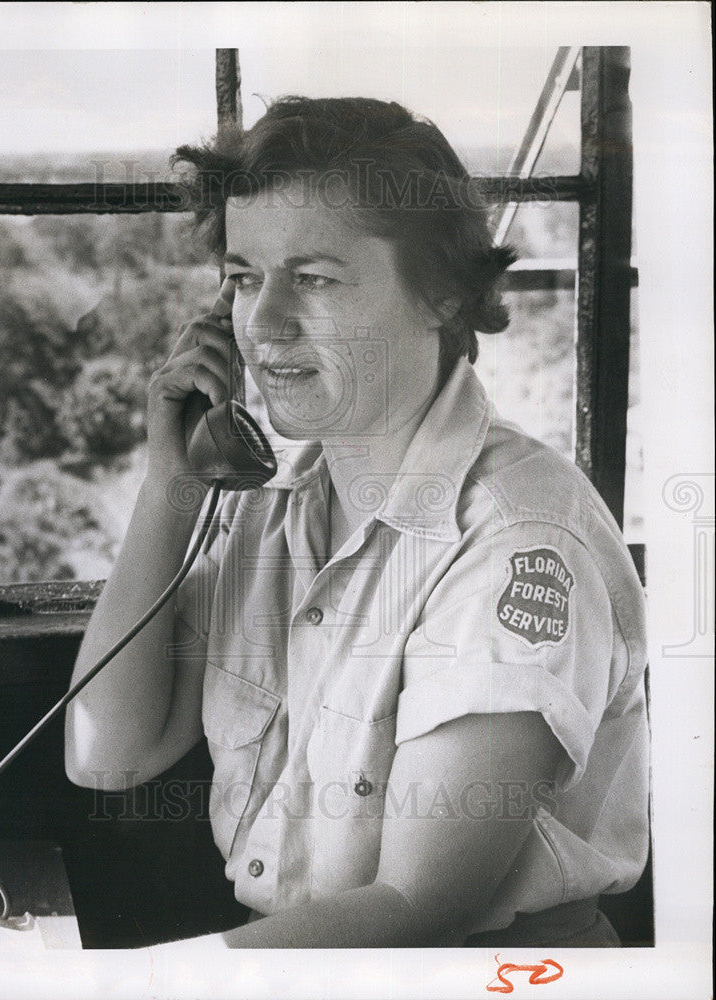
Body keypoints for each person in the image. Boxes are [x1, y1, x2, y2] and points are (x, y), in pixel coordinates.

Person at [64, 96, 649, 950]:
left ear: (442, 293)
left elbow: (420, 905)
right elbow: (107, 754)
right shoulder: (275, 510)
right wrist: (171, 488)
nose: (262, 324)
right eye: (242, 278)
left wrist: (144, 985)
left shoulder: (518, 538)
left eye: (313, 279)